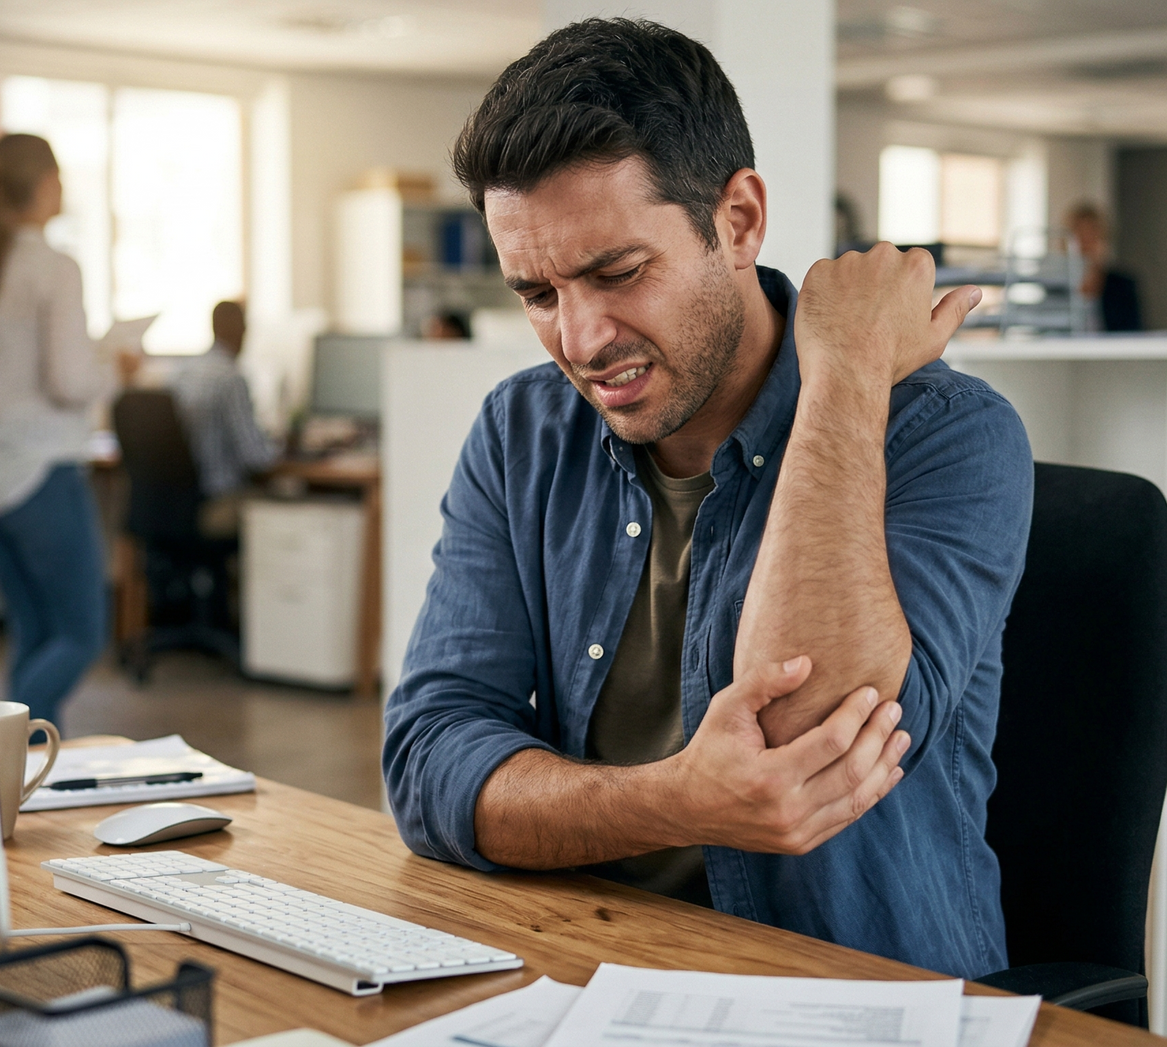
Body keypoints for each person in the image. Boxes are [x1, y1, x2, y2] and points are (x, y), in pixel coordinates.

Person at [382, 19, 1034, 980]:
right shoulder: (523, 434)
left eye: (617, 272)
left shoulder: (943, 433)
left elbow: (804, 740)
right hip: (593, 969)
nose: (581, 336)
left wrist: (844, 373)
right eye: (537, 292)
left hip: (850, 994)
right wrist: (677, 799)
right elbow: (431, 764)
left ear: (738, 220)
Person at [0, 133, 114, 730]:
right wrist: (111, 363)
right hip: (40, 475)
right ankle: (5, 736)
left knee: (33, 631)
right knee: (81, 632)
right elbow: (70, 382)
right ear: (46, 184)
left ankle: (18, 779)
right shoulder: (54, 268)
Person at [167, 300, 279, 538]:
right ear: (240, 330)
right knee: (286, 501)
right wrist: (284, 447)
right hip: (217, 499)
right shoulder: (231, 378)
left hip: (176, 503)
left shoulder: (181, 372)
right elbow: (255, 458)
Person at [1067, 201, 1144, 332]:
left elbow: (1133, 334)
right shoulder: (1056, 287)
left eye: (1092, 235)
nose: (1086, 245)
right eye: (1079, 236)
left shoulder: (1123, 285)